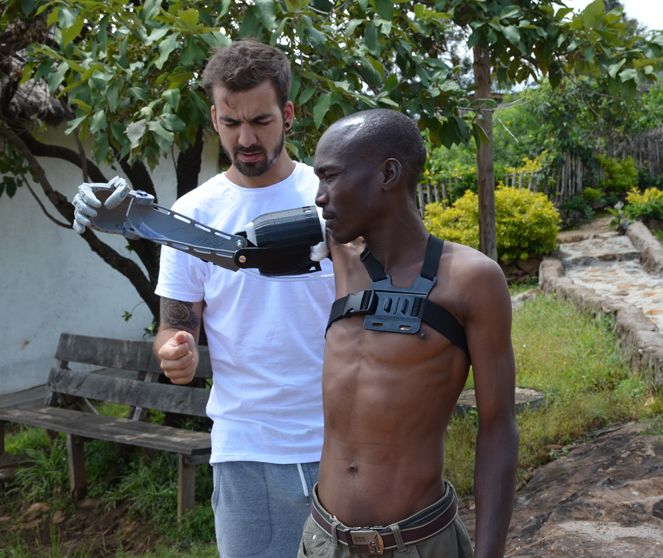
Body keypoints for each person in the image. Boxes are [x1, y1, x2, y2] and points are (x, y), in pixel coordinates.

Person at [75, 40, 335, 558]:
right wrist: (176, 352)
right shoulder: (192, 215)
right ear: (214, 117)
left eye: (260, 121)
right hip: (246, 446)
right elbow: (175, 330)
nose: (246, 138)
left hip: (345, 441)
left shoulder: (329, 199)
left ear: (287, 114)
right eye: (230, 122)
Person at [301, 109, 518, 558]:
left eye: (331, 176)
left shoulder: (471, 280)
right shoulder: (341, 260)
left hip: (417, 543)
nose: (320, 197)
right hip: (324, 541)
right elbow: (230, 244)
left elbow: (498, 427)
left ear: (388, 173)